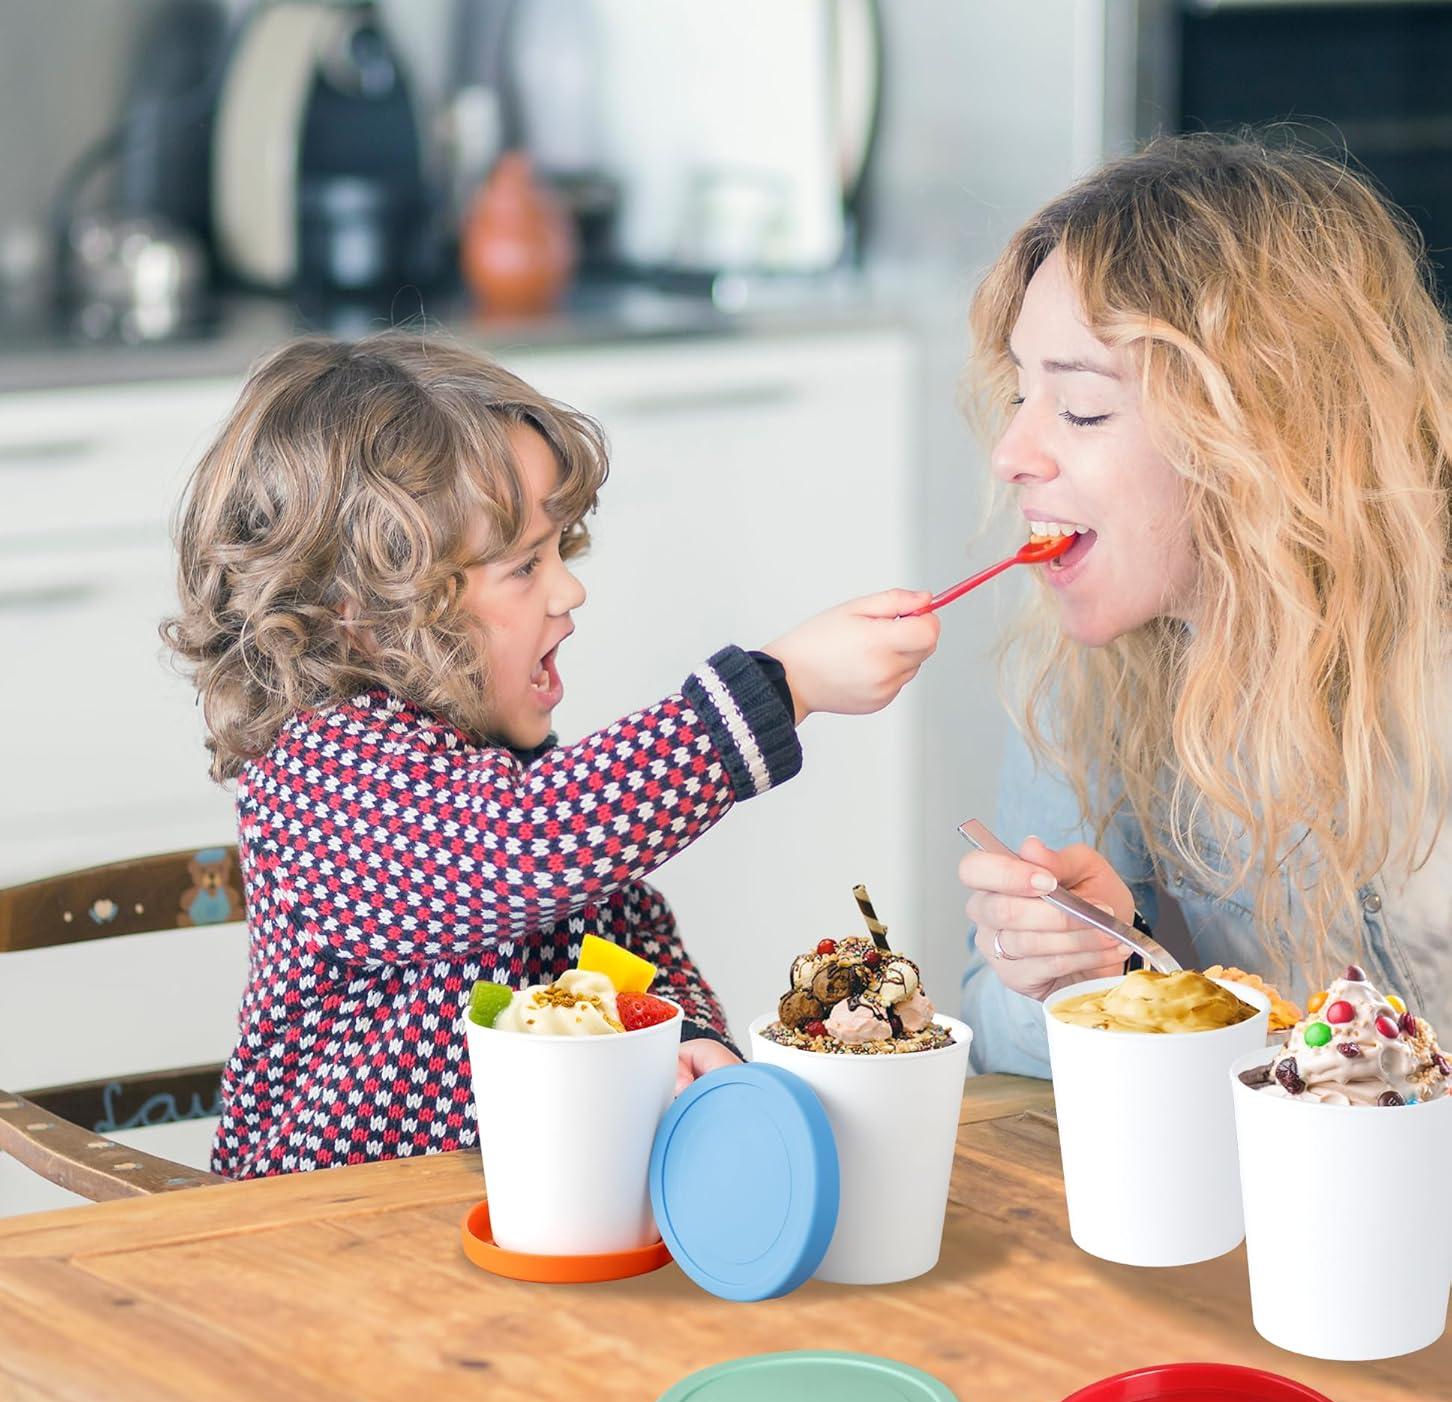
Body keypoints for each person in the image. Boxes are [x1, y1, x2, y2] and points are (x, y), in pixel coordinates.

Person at [164, 332, 939, 1175]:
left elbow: (627, 944)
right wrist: (776, 689)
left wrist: (685, 1037)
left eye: (559, 553)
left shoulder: (512, 775)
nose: (570, 590)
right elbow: (520, 845)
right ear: (369, 614)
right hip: (322, 1240)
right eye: (525, 566)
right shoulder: (323, 773)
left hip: (529, 1220)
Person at [957, 133, 1452, 1076]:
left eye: (1084, 408)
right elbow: (992, 1032)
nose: (1011, 452)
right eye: (1020, 395)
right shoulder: (1080, 679)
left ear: (1264, 424)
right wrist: (1094, 976)